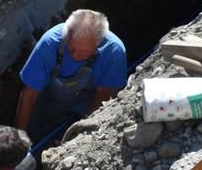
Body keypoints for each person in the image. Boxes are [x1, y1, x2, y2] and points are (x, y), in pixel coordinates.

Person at [15, 9, 127, 140]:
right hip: (49, 102)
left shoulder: (114, 51)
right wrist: (20, 139)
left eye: (82, 51)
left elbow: (103, 95)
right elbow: (29, 94)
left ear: (98, 45)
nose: (74, 55)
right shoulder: (50, 42)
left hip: (85, 104)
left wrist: (79, 137)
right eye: (71, 47)